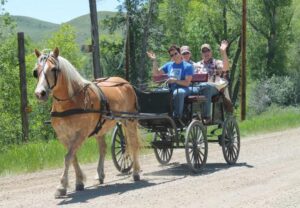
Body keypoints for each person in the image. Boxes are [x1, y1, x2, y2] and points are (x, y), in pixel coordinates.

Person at [147, 45, 193, 124]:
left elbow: (187, 83)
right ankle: (158, 115)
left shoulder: (188, 66)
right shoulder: (169, 65)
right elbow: (156, 73)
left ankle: (177, 117)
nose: (174, 56)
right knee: (156, 92)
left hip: (183, 88)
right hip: (170, 88)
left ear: (180, 53)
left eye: (175, 53)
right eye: (172, 55)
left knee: (178, 93)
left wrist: (175, 81)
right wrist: (154, 61)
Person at [193, 40, 232, 124]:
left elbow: (225, 68)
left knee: (206, 86)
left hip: (214, 88)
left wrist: (223, 51)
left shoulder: (216, 63)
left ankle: (207, 116)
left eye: (208, 51)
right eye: (204, 51)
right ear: (201, 54)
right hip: (199, 88)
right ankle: (192, 115)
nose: (206, 53)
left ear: (211, 52)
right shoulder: (196, 65)